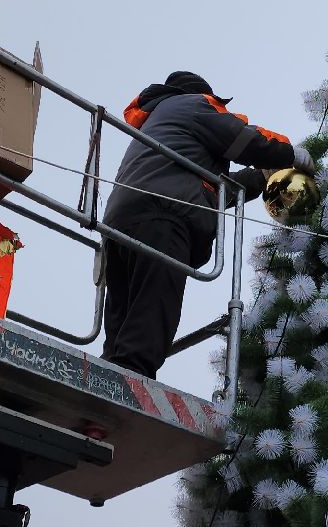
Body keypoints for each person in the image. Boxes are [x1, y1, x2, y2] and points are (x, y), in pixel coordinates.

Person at [100, 71, 311, 378]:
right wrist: (291, 154)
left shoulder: (156, 127)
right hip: (165, 215)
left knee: (124, 307)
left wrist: (260, 179)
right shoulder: (193, 104)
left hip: (121, 219)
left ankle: (110, 373)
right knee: (155, 300)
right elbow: (242, 138)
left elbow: (207, 189)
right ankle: (132, 377)